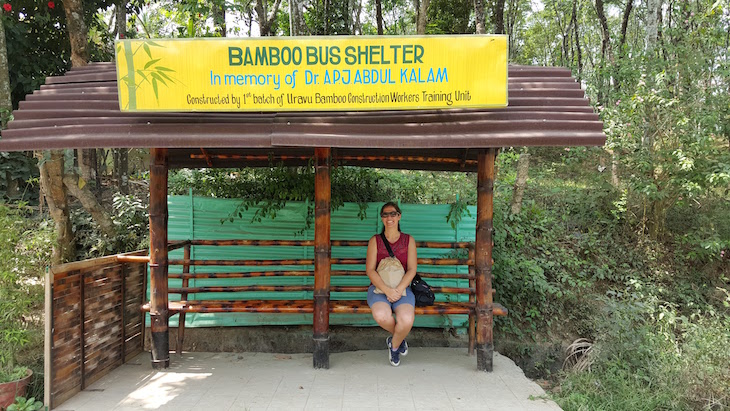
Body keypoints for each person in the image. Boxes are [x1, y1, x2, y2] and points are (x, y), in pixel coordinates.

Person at [365, 202, 417, 366]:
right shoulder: (375, 241)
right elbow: (370, 270)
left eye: (393, 214)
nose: (389, 218)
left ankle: (394, 346)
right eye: (386, 214)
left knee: (407, 320)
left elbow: (412, 269)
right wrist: (387, 290)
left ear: (399, 216)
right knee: (381, 316)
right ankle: (398, 338)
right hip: (379, 289)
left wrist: (399, 289)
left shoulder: (409, 240)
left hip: (402, 289)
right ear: (381, 218)